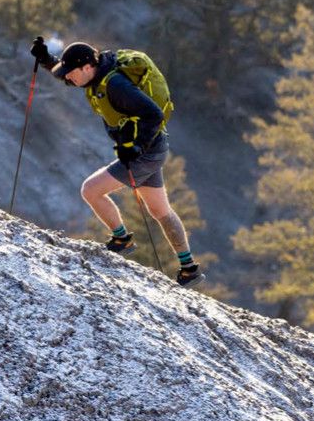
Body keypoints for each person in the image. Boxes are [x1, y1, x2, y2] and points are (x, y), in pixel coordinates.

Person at [30, 37, 204, 288]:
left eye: (71, 73)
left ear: (87, 67)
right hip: (154, 149)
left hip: (145, 153)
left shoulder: (116, 85)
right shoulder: (96, 75)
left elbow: (153, 114)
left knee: (90, 190)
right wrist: (47, 60)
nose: (68, 78)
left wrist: (136, 147)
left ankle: (121, 240)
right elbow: (71, 77)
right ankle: (189, 269)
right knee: (160, 210)